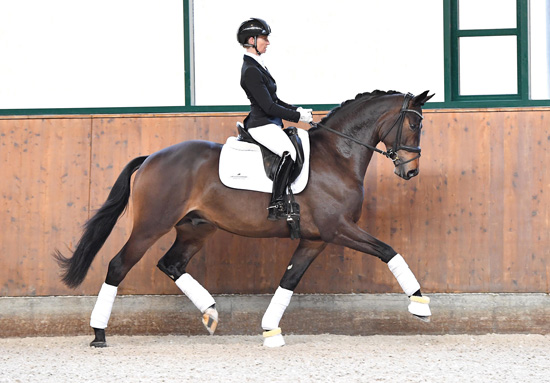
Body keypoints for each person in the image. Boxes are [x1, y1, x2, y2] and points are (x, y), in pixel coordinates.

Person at [237, 18, 312, 220]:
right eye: (264, 38)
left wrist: (298, 110)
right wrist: (297, 117)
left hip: (269, 123)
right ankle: (276, 204)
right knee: (289, 153)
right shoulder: (251, 70)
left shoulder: (258, 66)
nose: (267, 42)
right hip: (261, 125)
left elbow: (275, 100)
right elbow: (268, 107)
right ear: (251, 40)